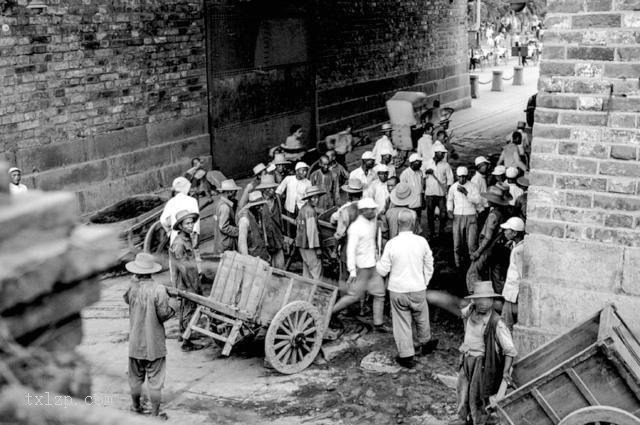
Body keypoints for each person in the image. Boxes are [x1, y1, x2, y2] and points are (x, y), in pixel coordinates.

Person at [376, 209, 439, 368]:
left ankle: (406, 355)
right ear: (413, 223)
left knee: (401, 322)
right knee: (422, 314)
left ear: (398, 224)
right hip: (418, 288)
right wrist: (425, 281)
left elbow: (382, 270)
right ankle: (425, 341)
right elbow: (429, 264)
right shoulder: (421, 242)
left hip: (398, 290)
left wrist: (377, 262)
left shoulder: (391, 244)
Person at [453, 281, 517, 425]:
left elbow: (510, 350)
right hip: (467, 360)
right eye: (479, 300)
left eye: (486, 300)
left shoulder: (497, 323)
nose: (483, 304)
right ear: (474, 300)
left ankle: (480, 422)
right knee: (462, 392)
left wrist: (506, 371)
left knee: (477, 397)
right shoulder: (470, 310)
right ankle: (464, 419)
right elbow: (463, 314)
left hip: (482, 364)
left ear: (492, 301)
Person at [123, 253, 174, 418]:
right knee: (155, 380)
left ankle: (136, 407)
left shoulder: (132, 288)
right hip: (154, 344)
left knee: (135, 378)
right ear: (152, 271)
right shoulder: (159, 290)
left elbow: (126, 299)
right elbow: (163, 315)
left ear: (136, 271)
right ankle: (154, 414)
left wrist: (133, 282)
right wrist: (173, 307)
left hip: (135, 343)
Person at [332, 197, 388, 332]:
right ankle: (331, 312)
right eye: (371, 209)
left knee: (380, 294)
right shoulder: (356, 228)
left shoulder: (371, 222)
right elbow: (351, 250)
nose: (374, 211)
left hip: (371, 265)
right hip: (361, 267)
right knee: (354, 296)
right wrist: (352, 271)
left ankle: (378, 324)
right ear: (364, 211)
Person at [169, 210, 204, 352]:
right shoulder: (179, 244)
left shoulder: (187, 239)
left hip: (192, 278)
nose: (191, 226)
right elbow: (182, 268)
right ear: (181, 226)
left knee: (187, 308)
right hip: (186, 282)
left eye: (191, 223)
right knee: (188, 309)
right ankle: (186, 341)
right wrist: (190, 287)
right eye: (187, 223)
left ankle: (183, 333)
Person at [466, 185, 512, 292]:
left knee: (473, 273)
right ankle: (499, 297)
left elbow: (488, 237)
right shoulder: (502, 212)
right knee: (496, 275)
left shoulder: (493, 215)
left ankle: (476, 297)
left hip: (488, 249)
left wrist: (478, 252)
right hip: (497, 248)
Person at [160, 177, 201, 285]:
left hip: (176, 235)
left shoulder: (171, 202)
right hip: (190, 235)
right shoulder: (192, 201)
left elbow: (163, 220)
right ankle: (193, 283)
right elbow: (196, 223)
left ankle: (177, 284)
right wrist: (195, 235)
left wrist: (170, 231)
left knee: (176, 263)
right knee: (192, 260)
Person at [447, 167, 481, 271]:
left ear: (467, 176)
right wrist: (449, 210)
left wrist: (466, 193)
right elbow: (450, 200)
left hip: (470, 215)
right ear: (457, 176)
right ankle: (458, 264)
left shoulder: (472, 186)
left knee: (471, 243)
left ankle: (473, 266)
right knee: (457, 243)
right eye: (460, 177)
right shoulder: (453, 187)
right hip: (458, 216)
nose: (462, 179)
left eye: (464, 177)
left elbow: (478, 200)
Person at [331, 178, 364, 282]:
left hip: (349, 249)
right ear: (361, 193)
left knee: (345, 277)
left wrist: (335, 251)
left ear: (348, 195)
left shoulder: (345, 211)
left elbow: (339, 234)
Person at [500, 217, 525, 331]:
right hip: (512, 293)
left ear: (514, 233)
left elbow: (521, 273)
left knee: (506, 326)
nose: (504, 232)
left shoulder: (518, 250)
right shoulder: (519, 246)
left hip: (513, 293)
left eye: (507, 230)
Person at [424, 143, 453, 239]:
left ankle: (441, 232)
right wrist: (426, 173)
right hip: (430, 193)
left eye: (444, 153)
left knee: (443, 214)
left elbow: (450, 179)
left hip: (441, 194)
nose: (444, 155)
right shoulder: (427, 163)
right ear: (436, 153)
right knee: (430, 215)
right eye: (442, 153)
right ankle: (431, 233)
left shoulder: (446, 165)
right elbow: (421, 175)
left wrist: (447, 191)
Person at [256, 174, 286, 269]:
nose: (272, 190)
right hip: (265, 240)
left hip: (277, 237)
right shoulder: (257, 202)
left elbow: (280, 217)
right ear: (263, 189)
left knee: (280, 267)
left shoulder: (277, 199)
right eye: (269, 188)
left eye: (273, 188)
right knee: (265, 268)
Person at [296, 186, 325, 279]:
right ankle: (316, 290)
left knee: (307, 268)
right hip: (309, 245)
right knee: (316, 268)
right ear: (309, 198)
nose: (316, 200)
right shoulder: (310, 211)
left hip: (301, 244)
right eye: (313, 197)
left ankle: (306, 290)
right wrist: (317, 248)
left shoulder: (303, 208)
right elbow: (312, 233)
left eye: (317, 197)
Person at [236, 191, 269, 262]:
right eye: (258, 206)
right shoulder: (244, 220)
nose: (261, 208)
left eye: (261, 205)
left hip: (262, 256)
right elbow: (242, 244)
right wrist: (246, 261)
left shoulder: (258, 215)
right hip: (252, 259)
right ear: (251, 207)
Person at [211, 179, 241, 255]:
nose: (236, 194)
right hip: (227, 243)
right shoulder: (225, 207)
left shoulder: (218, 203)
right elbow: (223, 227)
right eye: (235, 191)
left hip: (220, 242)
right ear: (229, 192)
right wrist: (239, 231)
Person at [400, 153, 425, 233]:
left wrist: (423, 201)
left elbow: (421, 188)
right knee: (410, 224)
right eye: (419, 162)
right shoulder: (405, 174)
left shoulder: (420, 172)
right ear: (413, 162)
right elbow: (403, 191)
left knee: (418, 222)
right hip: (410, 205)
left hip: (418, 203)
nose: (421, 164)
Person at [472, 156, 491, 227]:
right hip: (481, 209)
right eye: (485, 165)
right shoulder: (476, 180)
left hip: (485, 207)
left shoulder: (482, 177)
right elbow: (475, 197)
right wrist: (480, 209)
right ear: (479, 166)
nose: (487, 167)